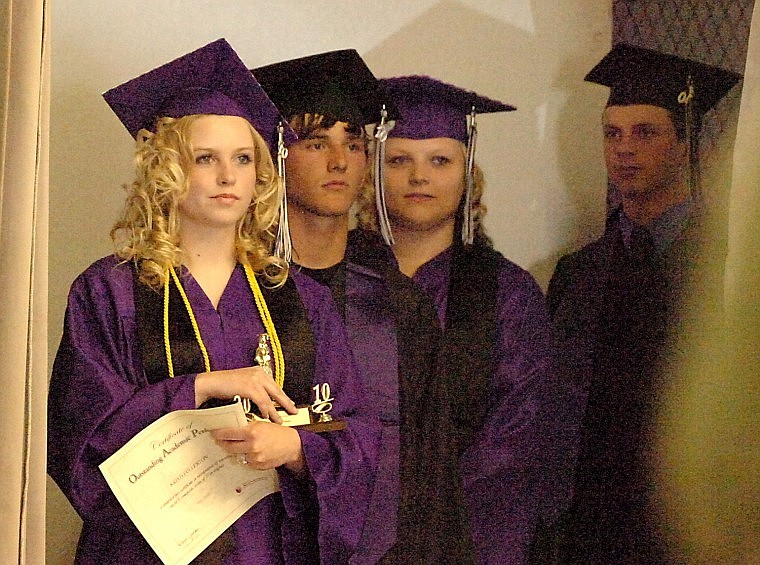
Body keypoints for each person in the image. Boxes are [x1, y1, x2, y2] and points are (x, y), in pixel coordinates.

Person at [47, 39, 378, 564]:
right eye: (206, 158)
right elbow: (80, 434)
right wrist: (201, 388)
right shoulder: (109, 291)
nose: (228, 176)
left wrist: (296, 450)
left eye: (243, 158)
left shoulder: (302, 299)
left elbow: (358, 431)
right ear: (167, 171)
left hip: (272, 549)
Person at [252, 50, 472, 563]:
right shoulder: (237, 294)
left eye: (353, 143)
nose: (339, 162)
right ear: (277, 156)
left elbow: (430, 467)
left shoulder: (400, 304)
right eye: (316, 143)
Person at [358, 75, 568, 564]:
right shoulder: (339, 282)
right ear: (373, 172)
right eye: (399, 160)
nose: (419, 177)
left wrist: (419, 519)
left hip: (469, 540)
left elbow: (516, 437)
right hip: (353, 537)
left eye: (440, 161)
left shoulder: (508, 295)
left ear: (468, 173)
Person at [546, 44, 742, 563]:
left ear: (683, 144)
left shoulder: (725, 265)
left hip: (688, 517)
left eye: (645, 132)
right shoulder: (578, 272)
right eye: (612, 134)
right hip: (590, 524)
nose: (624, 149)